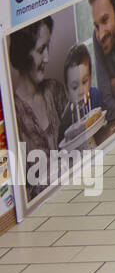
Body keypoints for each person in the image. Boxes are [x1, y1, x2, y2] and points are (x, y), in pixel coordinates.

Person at [8, 18, 71, 199]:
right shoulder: (13, 116)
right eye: (41, 50)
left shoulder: (55, 91)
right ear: (23, 53)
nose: (47, 58)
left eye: (48, 47)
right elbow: (18, 194)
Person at [63, 43, 104, 120]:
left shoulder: (97, 97)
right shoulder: (66, 120)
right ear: (67, 91)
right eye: (75, 87)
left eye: (84, 82)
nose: (81, 91)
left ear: (90, 79)